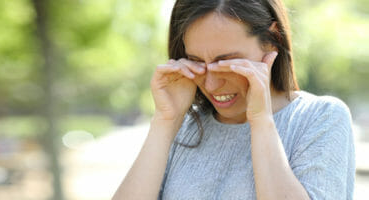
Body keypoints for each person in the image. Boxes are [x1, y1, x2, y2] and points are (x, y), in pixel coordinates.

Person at [112, 0, 355, 199]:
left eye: (227, 62)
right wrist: (165, 121)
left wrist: (261, 120)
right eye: (197, 61)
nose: (211, 84)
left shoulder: (321, 118)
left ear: (272, 40)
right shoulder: (183, 127)